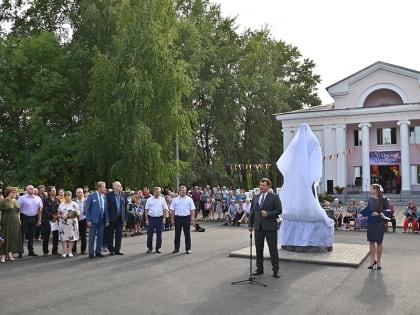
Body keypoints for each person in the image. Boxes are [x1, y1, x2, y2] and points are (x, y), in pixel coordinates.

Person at [248, 178, 282, 278]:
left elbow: (279, 210)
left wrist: (268, 214)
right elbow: (252, 212)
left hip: (270, 227)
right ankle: (259, 268)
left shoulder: (274, 197)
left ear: (268, 186)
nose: (261, 187)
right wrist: (250, 224)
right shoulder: (255, 197)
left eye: (263, 185)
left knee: (273, 249)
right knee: (259, 249)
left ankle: (276, 270)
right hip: (258, 227)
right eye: (260, 185)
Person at [360, 184, 389, 270]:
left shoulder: (384, 199)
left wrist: (379, 213)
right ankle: (372, 261)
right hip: (371, 222)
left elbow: (388, 211)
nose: (370, 190)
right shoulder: (370, 199)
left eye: (371, 189)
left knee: (379, 242)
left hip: (379, 223)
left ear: (376, 190)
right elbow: (369, 209)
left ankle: (379, 261)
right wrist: (366, 215)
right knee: (371, 242)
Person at [86, 181, 109, 258]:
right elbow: (87, 209)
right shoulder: (91, 196)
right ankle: (91, 252)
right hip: (93, 220)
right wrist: (88, 220)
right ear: (99, 187)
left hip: (102, 220)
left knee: (100, 236)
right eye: (104, 187)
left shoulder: (104, 197)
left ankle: (98, 251)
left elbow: (106, 209)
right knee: (92, 236)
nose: (105, 188)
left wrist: (107, 220)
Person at [18, 185, 43, 257]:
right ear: (27, 190)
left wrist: (39, 219)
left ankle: (31, 251)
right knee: (21, 234)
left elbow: (39, 210)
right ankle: (20, 251)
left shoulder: (38, 198)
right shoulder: (22, 198)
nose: (32, 190)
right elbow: (18, 210)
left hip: (33, 217)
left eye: (33, 189)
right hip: (24, 217)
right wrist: (19, 219)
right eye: (30, 189)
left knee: (31, 235)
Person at [170, 185, 195, 254]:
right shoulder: (175, 200)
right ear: (179, 191)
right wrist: (172, 220)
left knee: (187, 234)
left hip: (186, 218)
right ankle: (176, 248)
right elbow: (172, 211)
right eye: (182, 191)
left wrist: (192, 219)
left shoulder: (189, 199)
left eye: (184, 191)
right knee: (177, 234)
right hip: (177, 218)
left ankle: (188, 249)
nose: (183, 192)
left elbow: (192, 210)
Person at [0, 187, 22, 263]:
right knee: (4, 238)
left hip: (15, 221)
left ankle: (9, 254)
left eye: (15, 192)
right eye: (13, 192)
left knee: (13, 237)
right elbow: (0, 213)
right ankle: (2, 255)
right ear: (9, 192)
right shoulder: (3, 201)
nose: (15, 194)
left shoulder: (16, 201)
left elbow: (18, 211)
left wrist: (19, 220)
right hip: (6, 221)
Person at [105, 181, 128, 255]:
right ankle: (111, 249)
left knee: (119, 234)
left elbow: (125, 207)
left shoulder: (123, 195)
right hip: (111, 218)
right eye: (118, 186)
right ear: (114, 187)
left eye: (120, 186)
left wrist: (125, 218)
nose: (120, 187)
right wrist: (107, 219)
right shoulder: (109, 195)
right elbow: (107, 208)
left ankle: (118, 250)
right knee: (110, 234)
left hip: (120, 218)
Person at [144, 187, 167, 253]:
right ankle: (149, 248)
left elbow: (164, 209)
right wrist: (147, 220)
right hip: (151, 218)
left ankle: (158, 248)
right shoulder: (149, 200)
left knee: (159, 234)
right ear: (153, 192)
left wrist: (164, 218)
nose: (158, 193)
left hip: (159, 218)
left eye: (159, 192)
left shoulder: (162, 200)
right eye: (156, 192)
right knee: (150, 234)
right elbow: (146, 210)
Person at [58, 191, 80, 257]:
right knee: (64, 237)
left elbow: (78, 213)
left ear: (71, 196)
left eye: (69, 196)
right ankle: (65, 252)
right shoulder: (61, 204)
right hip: (63, 223)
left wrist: (72, 215)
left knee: (71, 237)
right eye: (67, 196)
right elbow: (58, 214)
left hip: (72, 223)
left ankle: (70, 251)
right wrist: (62, 216)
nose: (68, 197)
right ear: (64, 197)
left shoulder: (75, 204)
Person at [42, 186, 61, 256]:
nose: (54, 192)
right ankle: (45, 251)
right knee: (46, 236)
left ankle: (55, 250)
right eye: (53, 190)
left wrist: (56, 217)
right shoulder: (45, 200)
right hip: (47, 220)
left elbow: (60, 209)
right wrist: (52, 216)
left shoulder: (57, 200)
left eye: (55, 190)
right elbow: (45, 210)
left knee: (56, 236)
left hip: (56, 220)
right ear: (49, 192)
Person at [72, 188, 87, 254]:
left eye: (81, 192)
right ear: (76, 193)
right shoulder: (73, 201)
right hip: (75, 220)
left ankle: (83, 250)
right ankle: (73, 250)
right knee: (74, 235)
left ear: (83, 193)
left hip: (83, 219)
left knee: (83, 236)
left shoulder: (86, 200)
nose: (80, 193)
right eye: (78, 192)